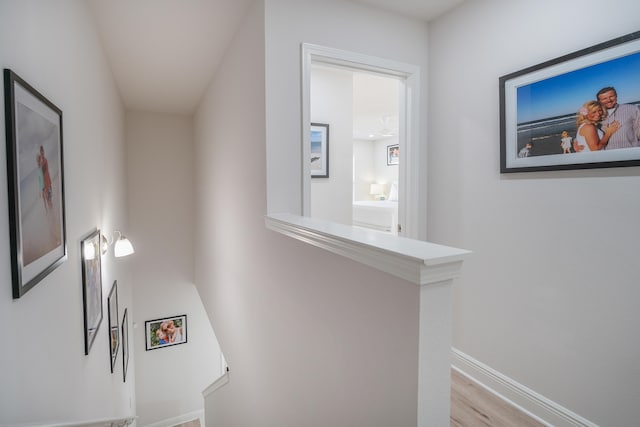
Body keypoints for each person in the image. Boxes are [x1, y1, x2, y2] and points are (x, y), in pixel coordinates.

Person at [39, 145, 53, 210]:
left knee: (50, 200)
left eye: (43, 151)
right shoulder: (41, 163)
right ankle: (50, 212)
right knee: (48, 201)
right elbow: (41, 177)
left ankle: (51, 212)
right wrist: (42, 188)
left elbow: (46, 172)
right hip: (45, 185)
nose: (42, 153)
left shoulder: (45, 160)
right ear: (40, 153)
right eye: (41, 152)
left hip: (48, 183)